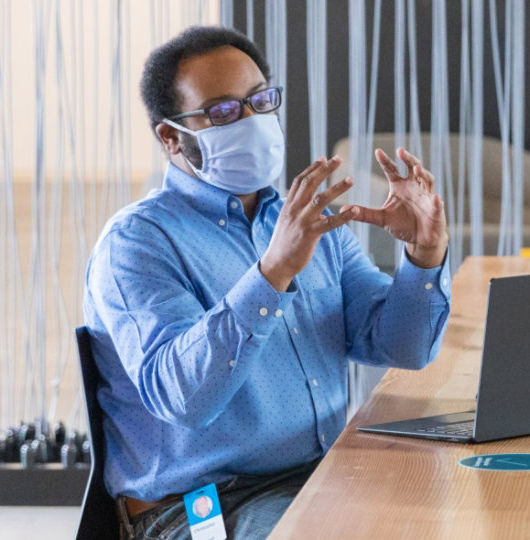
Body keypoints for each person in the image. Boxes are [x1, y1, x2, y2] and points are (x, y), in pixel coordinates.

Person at [83, 25, 451, 539]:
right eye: (223, 112)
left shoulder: (305, 220)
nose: (251, 120)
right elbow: (183, 399)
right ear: (171, 137)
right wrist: (271, 274)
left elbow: (401, 347)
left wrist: (423, 255)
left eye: (260, 101)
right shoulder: (136, 244)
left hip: (321, 477)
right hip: (196, 509)